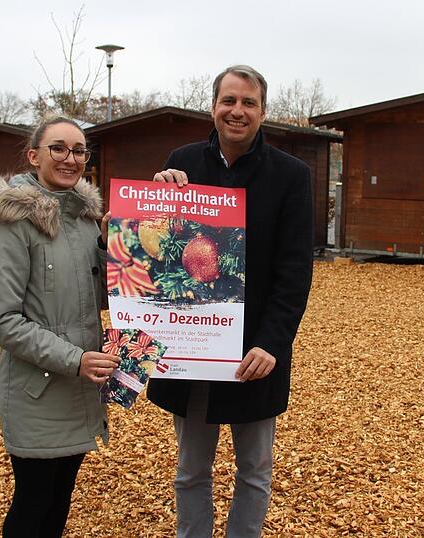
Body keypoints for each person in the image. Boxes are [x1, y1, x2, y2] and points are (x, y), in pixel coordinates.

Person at [148, 65, 314, 537]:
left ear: (262, 111)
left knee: (255, 471)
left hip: (253, 350)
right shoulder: (182, 163)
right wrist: (157, 199)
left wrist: (272, 343)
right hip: (193, 345)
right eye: (229, 101)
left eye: (248, 103)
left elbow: (295, 271)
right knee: (191, 470)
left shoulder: (290, 175)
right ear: (213, 106)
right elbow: (157, 251)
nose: (237, 111)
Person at [0, 115, 120, 537]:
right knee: (34, 503)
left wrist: (120, 252)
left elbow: (101, 299)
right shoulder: (11, 221)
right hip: (39, 390)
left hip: (80, 388)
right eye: (58, 148)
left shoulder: (85, 220)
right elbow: (2, 320)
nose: (70, 159)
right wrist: (75, 360)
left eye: (78, 151)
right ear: (34, 156)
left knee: (58, 502)